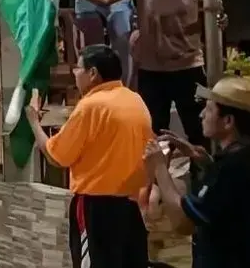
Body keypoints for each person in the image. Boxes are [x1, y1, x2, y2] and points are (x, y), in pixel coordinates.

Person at [63, 0, 225, 147]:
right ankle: (157, 181)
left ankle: (203, 179)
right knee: (153, 137)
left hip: (188, 69)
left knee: (198, 135)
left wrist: (220, 21)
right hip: (152, 71)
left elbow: (216, 12)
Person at [22, 44, 152, 268]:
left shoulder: (90, 106)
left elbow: (56, 157)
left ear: (92, 73)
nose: (74, 73)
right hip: (130, 207)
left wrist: (34, 122)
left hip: (97, 208)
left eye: (78, 68)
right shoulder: (135, 100)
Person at [143, 76, 250, 268]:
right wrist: (204, 162)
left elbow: (183, 222)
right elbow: (229, 199)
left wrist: (160, 168)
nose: (202, 114)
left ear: (228, 121)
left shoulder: (231, 171)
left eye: (209, 109)